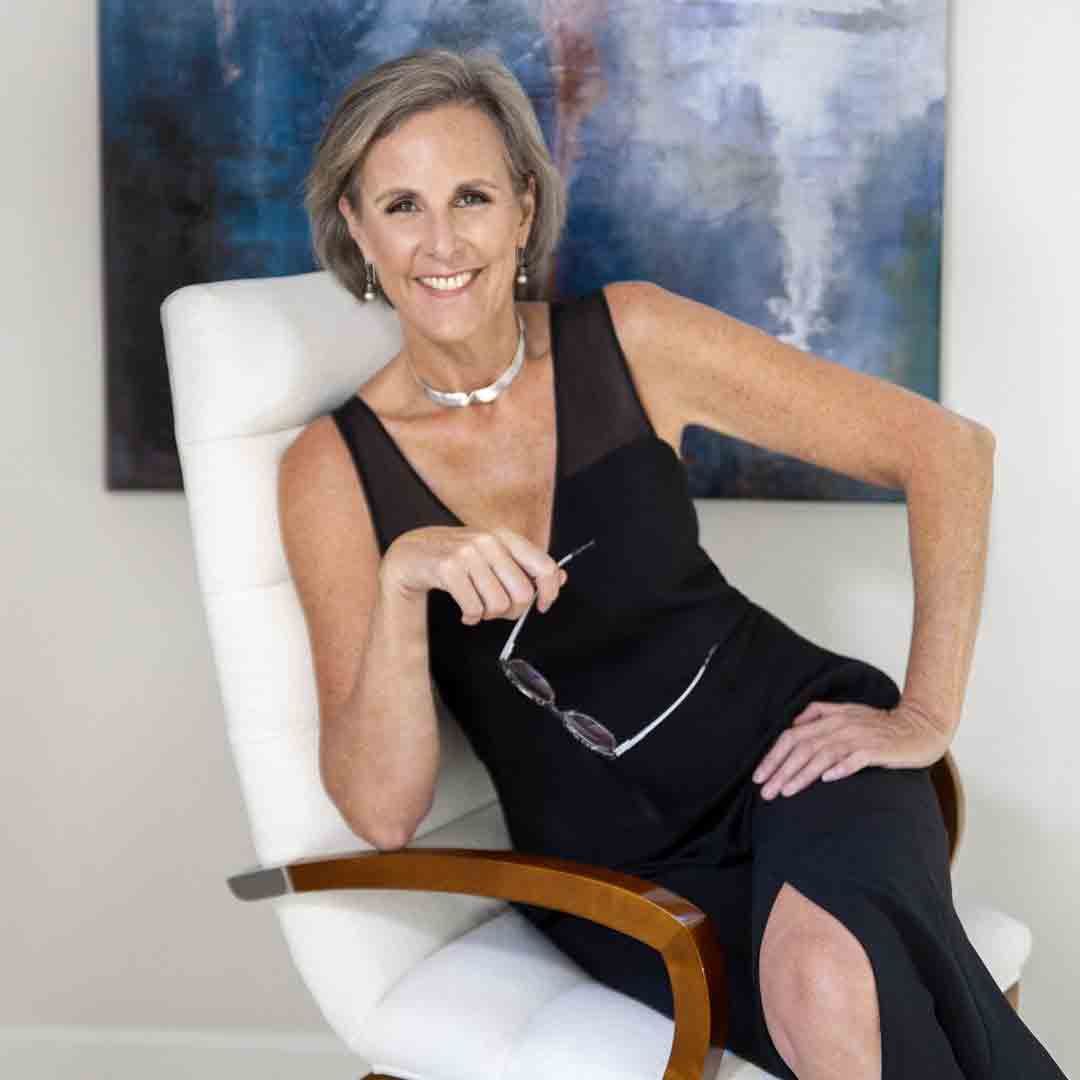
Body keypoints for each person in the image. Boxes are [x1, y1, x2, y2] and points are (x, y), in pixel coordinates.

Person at [281, 48, 1067, 1080]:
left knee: (830, 988)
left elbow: (948, 452)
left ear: (523, 208)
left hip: (798, 752)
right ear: (356, 226)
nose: (440, 242)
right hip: (618, 870)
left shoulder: (634, 337)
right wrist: (400, 583)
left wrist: (927, 712)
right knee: (840, 1013)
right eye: (401, 206)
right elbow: (381, 812)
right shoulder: (332, 471)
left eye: (471, 196)